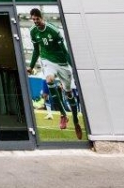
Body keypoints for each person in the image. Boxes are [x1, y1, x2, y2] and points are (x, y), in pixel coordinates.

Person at [26, 8, 84, 140]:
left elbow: (64, 51)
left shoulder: (54, 31)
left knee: (68, 93)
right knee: (49, 80)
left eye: (37, 19)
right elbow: (36, 50)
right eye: (33, 19)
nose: (35, 21)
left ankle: (75, 121)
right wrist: (31, 66)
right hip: (47, 60)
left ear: (42, 18)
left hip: (62, 64)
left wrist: (73, 67)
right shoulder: (33, 32)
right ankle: (63, 114)